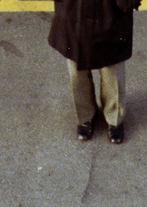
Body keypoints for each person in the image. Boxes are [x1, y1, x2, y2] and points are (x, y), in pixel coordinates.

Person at [49, 0, 140, 144]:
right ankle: (85, 115)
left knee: (112, 67)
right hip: (73, 8)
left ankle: (114, 116)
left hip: (109, 8)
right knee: (77, 69)